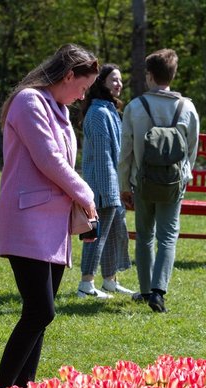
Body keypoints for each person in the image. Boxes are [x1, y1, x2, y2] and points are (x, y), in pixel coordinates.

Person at [0, 44, 99, 388]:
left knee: (40, 314)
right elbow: (48, 158)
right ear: (68, 76)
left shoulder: (58, 109)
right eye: (82, 87)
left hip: (53, 225)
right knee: (40, 311)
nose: (82, 96)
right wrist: (87, 194)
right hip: (28, 220)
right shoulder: (29, 102)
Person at [118, 48, 200, 313]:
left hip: (142, 181)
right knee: (167, 236)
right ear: (172, 75)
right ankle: (158, 292)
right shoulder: (187, 108)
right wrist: (184, 176)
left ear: (150, 76)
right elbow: (191, 149)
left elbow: (125, 151)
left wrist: (123, 185)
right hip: (173, 183)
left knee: (144, 236)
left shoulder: (135, 107)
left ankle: (145, 290)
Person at [76, 64, 133, 299]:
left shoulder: (109, 110)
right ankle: (86, 284)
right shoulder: (98, 113)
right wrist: (110, 191)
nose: (119, 84)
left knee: (114, 234)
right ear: (101, 83)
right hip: (103, 187)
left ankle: (110, 281)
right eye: (114, 80)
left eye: (120, 80)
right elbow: (102, 156)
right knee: (96, 235)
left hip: (113, 185)